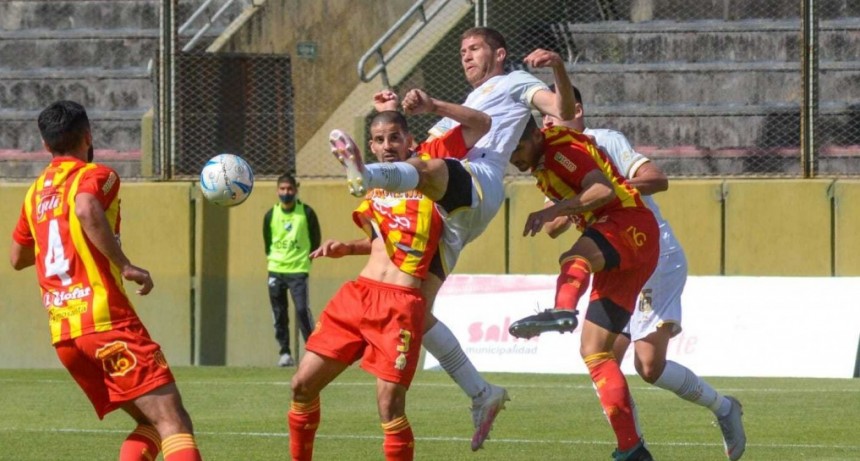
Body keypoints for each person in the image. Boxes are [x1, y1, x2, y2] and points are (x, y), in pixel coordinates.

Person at [328, 27, 576, 450]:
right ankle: (482, 393)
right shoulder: (463, 106)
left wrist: (557, 67)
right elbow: (423, 149)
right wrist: (396, 115)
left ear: (499, 53)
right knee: (415, 311)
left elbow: (564, 110)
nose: (465, 57)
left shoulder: (514, 82)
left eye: (474, 48)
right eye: (461, 50)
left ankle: (364, 174)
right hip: (441, 213)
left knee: (429, 168)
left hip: (478, 179)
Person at [539, 84, 746, 460]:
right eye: (544, 115)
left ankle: (724, 407)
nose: (548, 120)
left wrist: (607, 190)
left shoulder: (604, 141)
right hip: (618, 255)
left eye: (553, 111)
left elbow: (657, 178)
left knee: (648, 366)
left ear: (577, 110)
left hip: (653, 252)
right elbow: (554, 226)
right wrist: (568, 206)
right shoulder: (557, 158)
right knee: (601, 358)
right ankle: (632, 447)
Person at [288, 91, 490, 460]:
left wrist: (426, 107)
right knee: (301, 386)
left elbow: (480, 124)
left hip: (400, 306)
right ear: (370, 146)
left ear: (410, 142)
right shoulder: (375, 186)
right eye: (380, 140)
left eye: (395, 138)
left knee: (389, 408)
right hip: (359, 295)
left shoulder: (429, 171)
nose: (388, 146)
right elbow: (382, 243)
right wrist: (347, 248)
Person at [8, 100, 202, 461]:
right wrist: (125, 265)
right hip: (106, 321)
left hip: (65, 334)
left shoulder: (33, 194)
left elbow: (17, 258)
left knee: (152, 424)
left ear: (46, 146)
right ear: (88, 135)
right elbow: (85, 208)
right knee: (174, 422)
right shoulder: (96, 175)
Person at [506, 117, 660, 461]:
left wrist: (558, 208)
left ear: (535, 135)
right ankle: (631, 448)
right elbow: (567, 212)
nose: (514, 157)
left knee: (575, 256)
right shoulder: (546, 163)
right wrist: (558, 214)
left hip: (628, 223)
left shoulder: (560, 151)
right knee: (595, 352)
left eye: (518, 147)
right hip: (635, 245)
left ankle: (563, 309)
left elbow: (603, 190)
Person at [263, 173, 321, 367]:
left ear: (295, 190)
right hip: (276, 269)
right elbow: (267, 242)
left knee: (302, 310)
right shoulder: (271, 215)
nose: (285, 193)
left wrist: (305, 260)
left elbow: (315, 239)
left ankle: (313, 350)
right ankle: (285, 352)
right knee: (279, 312)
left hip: (298, 270)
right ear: (277, 190)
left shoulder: (307, 213)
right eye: (282, 189)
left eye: (289, 189)